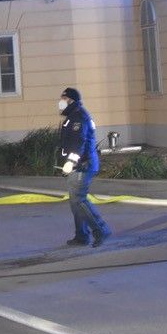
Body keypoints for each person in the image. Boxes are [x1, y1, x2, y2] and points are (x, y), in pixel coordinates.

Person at [58, 87, 111, 247]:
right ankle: (82, 236)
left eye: (64, 99)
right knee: (75, 202)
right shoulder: (74, 116)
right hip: (80, 165)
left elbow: (78, 143)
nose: (61, 103)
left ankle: (101, 229)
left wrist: (71, 162)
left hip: (82, 165)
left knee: (79, 200)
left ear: (71, 100)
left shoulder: (78, 117)